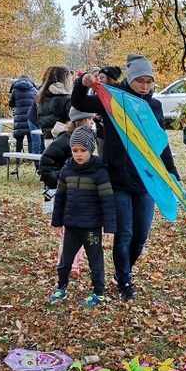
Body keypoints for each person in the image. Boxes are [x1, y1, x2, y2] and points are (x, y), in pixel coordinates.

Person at [72, 53, 180, 302]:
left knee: (140, 237)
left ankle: (124, 272)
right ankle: (124, 282)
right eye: (140, 80)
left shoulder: (154, 106)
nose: (145, 86)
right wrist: (82, 82)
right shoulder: (112, 100)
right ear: (130, 79)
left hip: (146, 180)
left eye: (149, 81)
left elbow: (160, 144)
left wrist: (172, 173)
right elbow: (79, 102)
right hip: (118, 179)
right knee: (125, 234)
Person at [49, 126, 117, 307]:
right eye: (74, 150)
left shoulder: (100, 172)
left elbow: (107, 201)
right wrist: (57, 222)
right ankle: (61, 288)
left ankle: (99, 293)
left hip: (91, 228)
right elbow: (60, 198)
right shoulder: (66, 170)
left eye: (83, 150)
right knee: (65, 261)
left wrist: (110, 228)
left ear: (91, 149)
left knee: (96, 261)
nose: (78, 154)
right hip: (71, 226)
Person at [33, 66, 73, 143]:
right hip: (63, 138)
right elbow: (71, 120)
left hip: (47, 138)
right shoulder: (66, 98)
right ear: (66, 79)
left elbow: (39, 118)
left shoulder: (42, 97)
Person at [8, 73, 38, 153]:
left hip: (19, 118)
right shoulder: (34, 89)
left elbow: (11, 104)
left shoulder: (15, 89)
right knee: (30, 139)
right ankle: (31, 158)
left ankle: (18, 156)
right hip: (30, 117)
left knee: (19, 139)